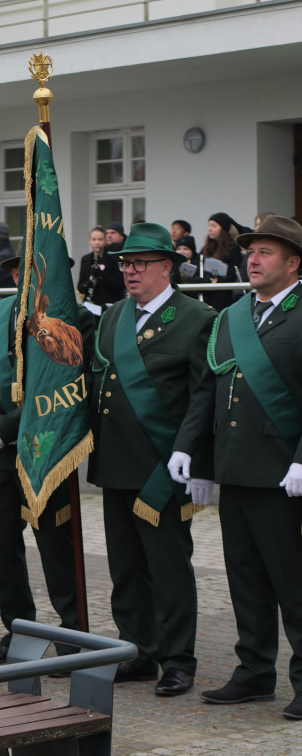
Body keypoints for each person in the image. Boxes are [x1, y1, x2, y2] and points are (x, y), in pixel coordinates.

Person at [172, 215, 302, 720]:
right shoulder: (230, 317)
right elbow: (208, 389)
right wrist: (195, 454)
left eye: (266, 252)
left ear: (293, 263)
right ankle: (254, 672)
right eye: (251, 251)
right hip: (236, 468)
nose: (253, 259)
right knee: (244, 577)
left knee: (292, 582)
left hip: (284, 475)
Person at [87, 222, 216, 698]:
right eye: (125, 263)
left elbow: (203, 396)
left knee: (169, 568)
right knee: (126, 568)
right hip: (117, 462)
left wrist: (195, 459)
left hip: (163, 465)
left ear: (168, 268)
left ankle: (178, 659)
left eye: (140, 263)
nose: (130, 271)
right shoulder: (114, 314)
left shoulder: (196, 318)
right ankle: (138, 650)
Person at [0, 255, 92, 664]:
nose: (23, 276)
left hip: (50, 449)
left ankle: (73, 638)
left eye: (33, 267)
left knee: (58, 548)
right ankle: (18, 634)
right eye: (17, 270)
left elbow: (72, 386)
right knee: (4, 547)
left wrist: (9, 426)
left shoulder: (77, 318)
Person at [199, 213, 248, 311]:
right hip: (207, 293)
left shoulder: (233, 248)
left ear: (223, 228)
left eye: (214, 226)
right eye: (209, 225)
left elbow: (234, 272)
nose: (209, 229)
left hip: (224, 294)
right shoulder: (206, 248)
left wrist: (219, 280)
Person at [78, 225, 123, 313]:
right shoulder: (86, 259)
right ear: (90, 241)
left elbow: (119, 285)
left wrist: (101, 276)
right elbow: (80, 286)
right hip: (91, 306)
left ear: (105, 241)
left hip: (109, 307)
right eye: (94, 239)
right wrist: (88, 284)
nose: (97, 243)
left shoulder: (113, 258)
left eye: (100, 239)